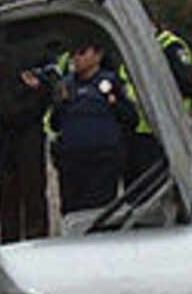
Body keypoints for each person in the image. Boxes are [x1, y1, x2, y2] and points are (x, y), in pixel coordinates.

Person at [49, 36, 137, 233]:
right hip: (72, 161)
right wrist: (61, 103)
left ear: (97, 55)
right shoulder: (66, 85)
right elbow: (55, 123)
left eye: (82, 53)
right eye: (73, 55)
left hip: (103, 160)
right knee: (72, 215)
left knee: (101, 215)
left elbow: (131, 119)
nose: (76, 59)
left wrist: (113, 100)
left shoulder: (110, 83)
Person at [0, 37, 51, 244]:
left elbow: (48, 86)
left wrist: (36, 93)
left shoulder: (39, 49)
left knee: (31, 195)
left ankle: (35, 244)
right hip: (8, 132)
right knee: (9, 197)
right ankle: (11, 244)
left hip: (27, 131)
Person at [120, 27, 192, 187]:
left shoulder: (170, 46)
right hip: (133, 132)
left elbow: (188, 86)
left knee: (156, 190)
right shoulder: (132, 48)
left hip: (162, 132)